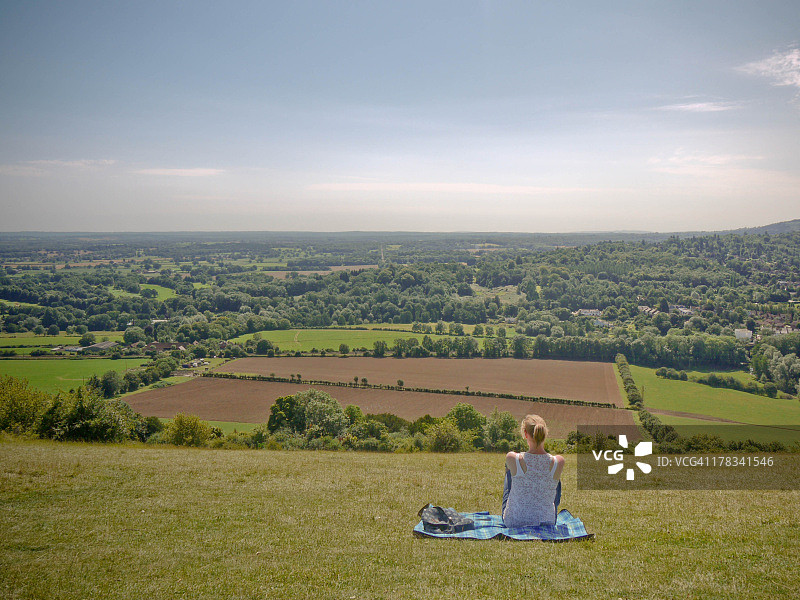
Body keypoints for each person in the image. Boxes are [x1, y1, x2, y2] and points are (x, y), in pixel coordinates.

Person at [501, 414, 564, 527]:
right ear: (545, 433)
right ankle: (545, 512)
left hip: (514, 521)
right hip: (547, 522)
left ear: (525, 434)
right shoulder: (559, 461)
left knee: (510, 472)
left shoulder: (512, 458)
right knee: (556, 480)